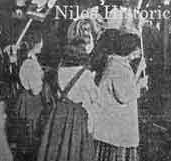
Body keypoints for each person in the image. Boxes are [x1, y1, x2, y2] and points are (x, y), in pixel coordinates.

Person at [37, 39, 96, 161]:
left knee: (55, 145)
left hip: (58, 112)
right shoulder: (86, 74)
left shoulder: (59, 71)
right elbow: (95, 97)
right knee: (74, 148)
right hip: (76, 114)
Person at [94, 33, 146, 161]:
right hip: (117, 126)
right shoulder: (119, 68)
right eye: (137, 48)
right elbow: (125, 96)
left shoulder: (116, 63)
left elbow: (125, 87)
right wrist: (140, 84)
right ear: (130, 49)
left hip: (114, 123)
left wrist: (138, 71)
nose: (139, 51)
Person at [14, 29, 48, 161]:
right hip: (31, 103)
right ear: (37, 43)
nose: (43, 45)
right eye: (41, 42)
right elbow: (36, 90)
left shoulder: (29, 60)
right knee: (30, 137)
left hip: (26, 100)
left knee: (27, 136)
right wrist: (43, 81)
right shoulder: (31, 64)